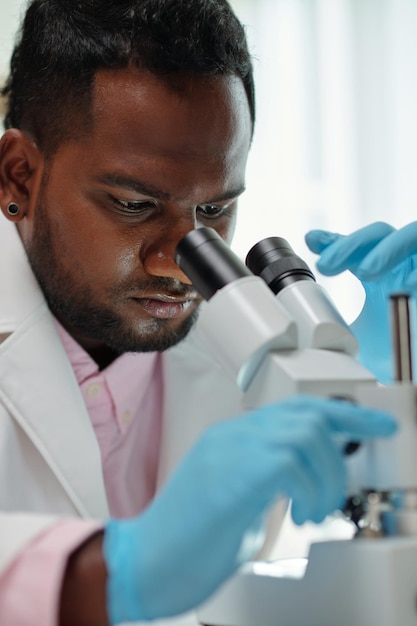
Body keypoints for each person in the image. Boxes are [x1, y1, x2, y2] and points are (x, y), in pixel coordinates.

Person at [0, 0, 406, 624]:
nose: (178, 261)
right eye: (134, 206)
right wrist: (108, 575)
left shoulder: (244, 351)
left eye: (215, 211)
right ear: (18, 176)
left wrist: (384, 381)